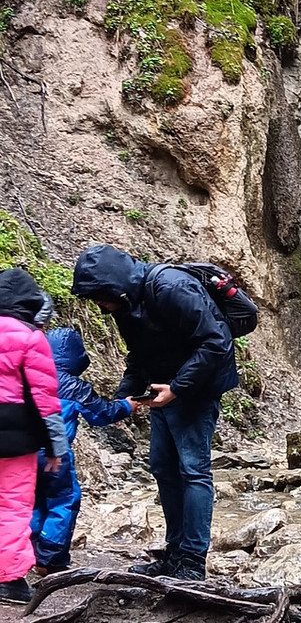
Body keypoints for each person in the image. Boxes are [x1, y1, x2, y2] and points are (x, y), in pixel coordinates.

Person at [71, 245, 238, 582]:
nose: (98, 305)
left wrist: (177, 388)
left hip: (195, 390)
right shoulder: (125, 303)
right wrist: (123, 399)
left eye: (98, 297)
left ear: (112, 286)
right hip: (162, 390)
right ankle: (174, 552)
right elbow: (139, 353)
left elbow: (217, 342)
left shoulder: (171, 287)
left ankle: (191, 561)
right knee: (163, 466)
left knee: (193, 470)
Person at [32, 328, 135, 575]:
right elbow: (103, 414)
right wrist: (126, 406)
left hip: (21, 451)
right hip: (55, 452)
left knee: (31, 500)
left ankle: (29, 551)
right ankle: (50, 559)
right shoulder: (73, 386)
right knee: (64, 500)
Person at [0, 269, 68, 605]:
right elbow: (45, 399)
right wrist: (56, 446)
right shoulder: (30, 337)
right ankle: (10, 581)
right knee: (12, 507)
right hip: (16, 439)